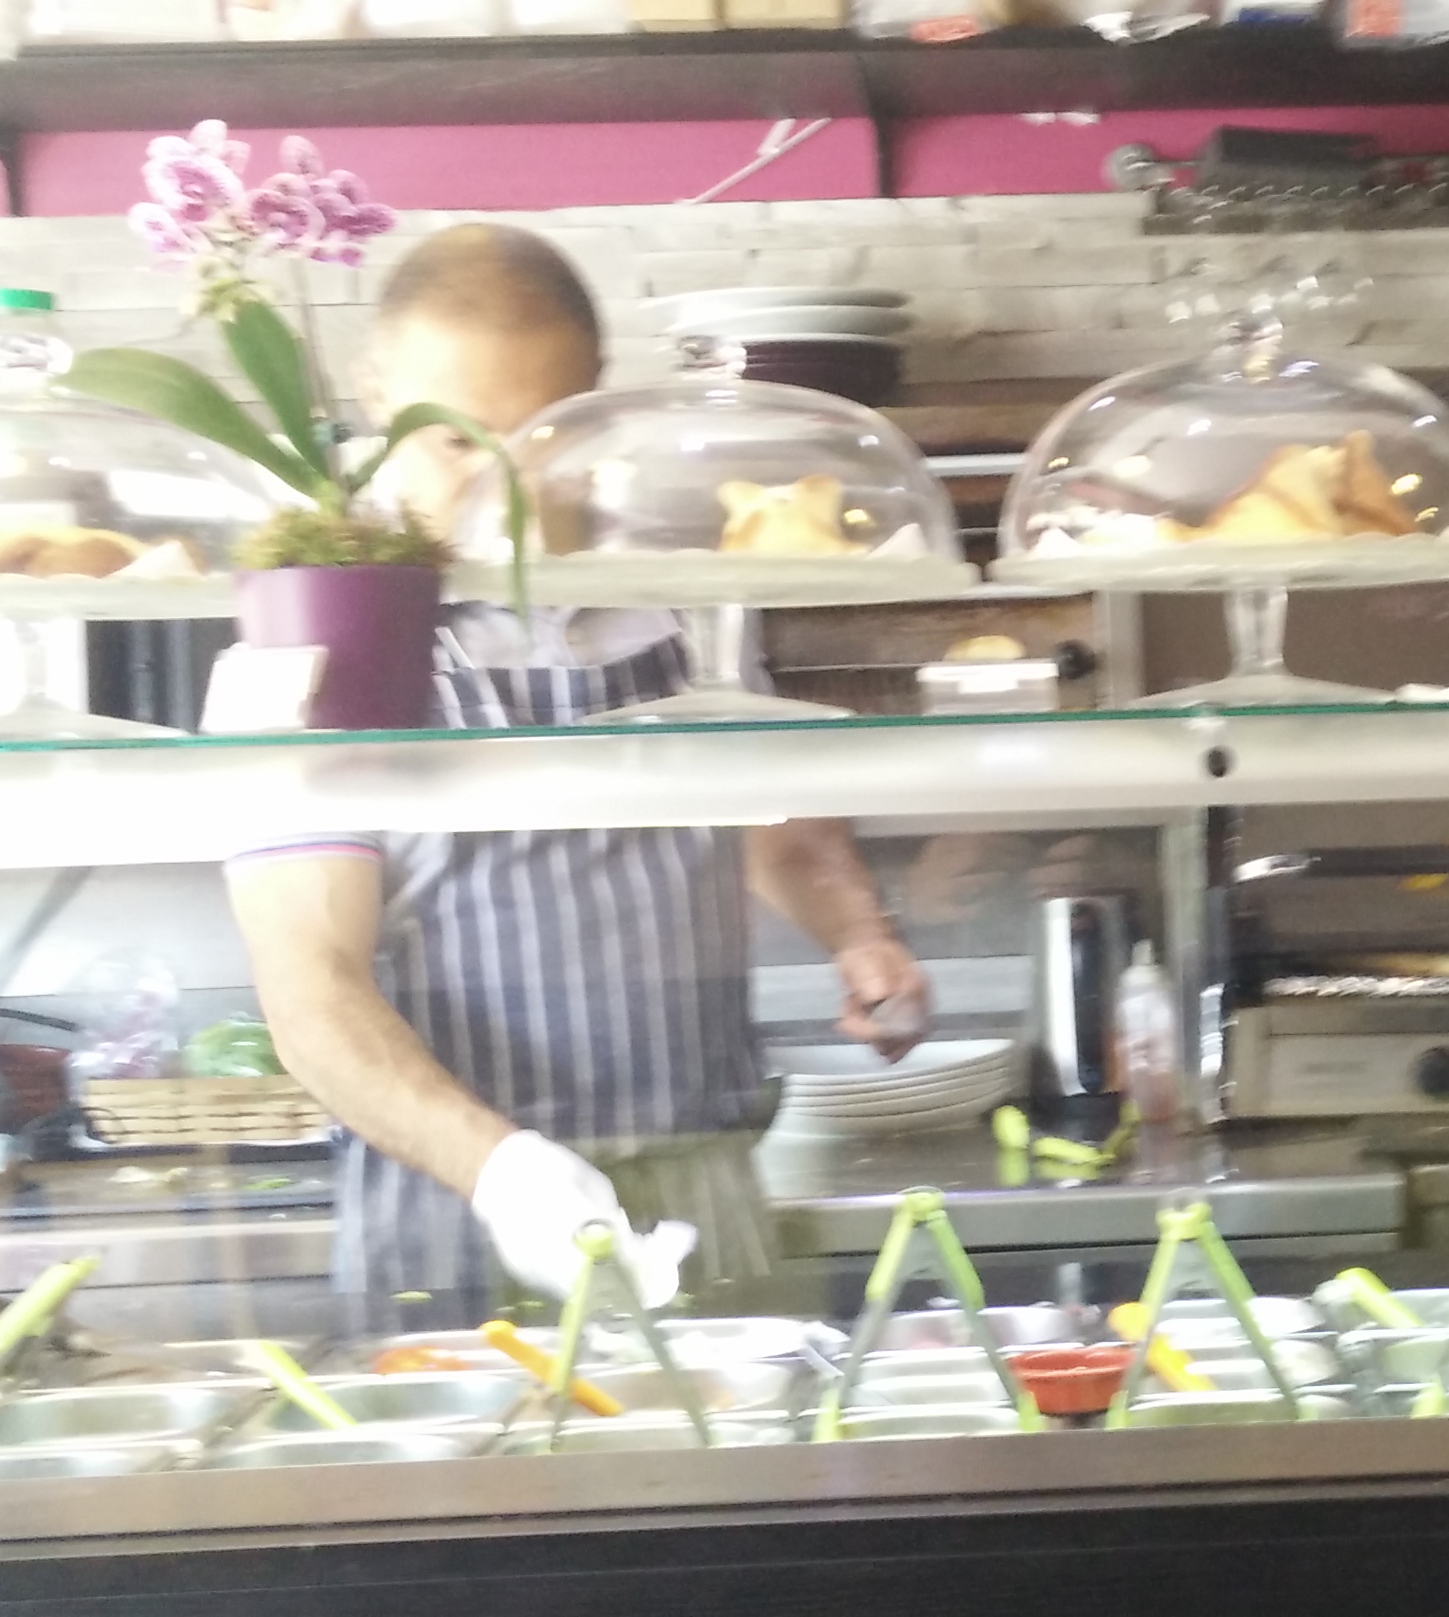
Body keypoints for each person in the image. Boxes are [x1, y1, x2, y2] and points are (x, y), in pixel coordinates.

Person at [228, 226, 929, 1319]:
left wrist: (858, 934)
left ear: (596, 400)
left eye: (538, 438)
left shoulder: (681, 589)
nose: (499, 486)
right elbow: (309, 988)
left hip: (704, 1184)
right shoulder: (312, 631)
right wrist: (508, 1175)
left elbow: (773, 819)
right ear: (376, 392)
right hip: (454, 1210)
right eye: (456, 442)